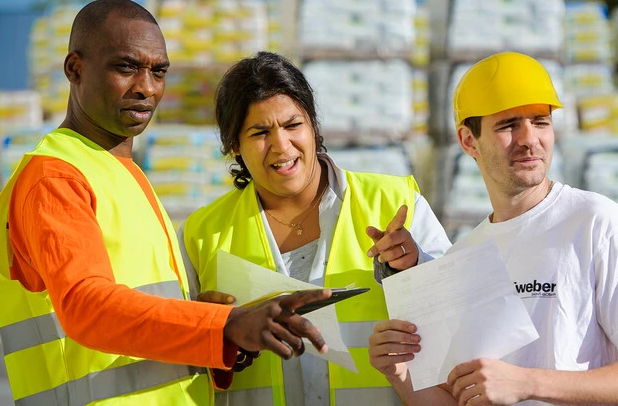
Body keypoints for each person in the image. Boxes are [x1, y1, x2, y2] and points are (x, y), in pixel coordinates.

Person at [0, 0, 333, 406]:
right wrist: (222, 324)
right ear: (75, 69)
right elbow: (88, 308)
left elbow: (136, 313)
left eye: (158, 71)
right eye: (126, 67)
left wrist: (207, 326)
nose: (146, 87)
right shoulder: (56, 177)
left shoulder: (122, 174)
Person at [369, 52, 618, 406]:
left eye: (541, 122)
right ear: (468, 141)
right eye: (509, 125)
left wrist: (526, 383)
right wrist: (401, 372)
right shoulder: (464, 256)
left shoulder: (597, 224)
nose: (530, 139)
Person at [179, 51, 452, 406]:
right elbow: (182, 357)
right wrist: (214, 338)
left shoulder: (394, 203)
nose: (281, 145)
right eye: (260, 132)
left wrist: (415, 266)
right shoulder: (203, 233)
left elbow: (457, 316)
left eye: (293, 125)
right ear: (234, 146)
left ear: (314, 127)